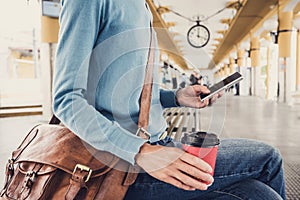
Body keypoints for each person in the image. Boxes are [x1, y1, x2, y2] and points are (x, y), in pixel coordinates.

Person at [53, 0, 286, 199]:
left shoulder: (142, 7)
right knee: (267, 159)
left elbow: (132, 90)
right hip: (118, 164)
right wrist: (141, 151)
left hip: (157, 144)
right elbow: (66, 100)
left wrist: (175, 97)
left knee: (258, 193)